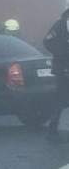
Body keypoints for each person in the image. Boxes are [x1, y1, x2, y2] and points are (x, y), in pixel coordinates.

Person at [43, 8, 69, 142]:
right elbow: (47, 41)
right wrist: (62, 52)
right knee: (60, 99)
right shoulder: (60, 25)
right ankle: (52, 129)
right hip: (63, 67)